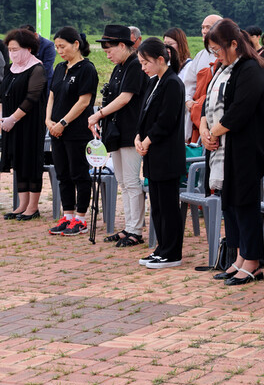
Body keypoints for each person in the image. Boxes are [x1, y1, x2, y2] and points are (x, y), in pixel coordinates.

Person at [200, 19, 264, 286]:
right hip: (223, 147)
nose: (216, 56)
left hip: (244, 148)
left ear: (234, 44)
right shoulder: (223, 69)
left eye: (218, 50)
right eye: (213, 51)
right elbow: (207, 104)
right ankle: (239, 257)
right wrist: (206, 130)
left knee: (245, 204)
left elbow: (240, 110)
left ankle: (252, 260)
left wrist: (215, 132)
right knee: (229, 203)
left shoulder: (250, 69)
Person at [89, 25, 149, 245]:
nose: (108, 54)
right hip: (115, 131)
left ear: (123, 45)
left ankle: (136, 230)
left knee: (132, 181)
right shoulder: (119, 67)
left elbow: (125, 98)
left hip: (131, 132)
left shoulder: (134, 65)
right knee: (123, 181)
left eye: (110, 49)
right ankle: (129, 227)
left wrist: (98, 115)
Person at [135, 39, 186, 268]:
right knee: (156, 204)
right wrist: (138, 136)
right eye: (141, 63)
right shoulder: (153, 82)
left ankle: (172, 251)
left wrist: (147, 139)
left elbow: (167, 119)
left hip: (166, 153)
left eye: (146, 63)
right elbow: (144, 114)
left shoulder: (173, 83)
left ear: (160, 59)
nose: (143, 68)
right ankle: (161, 247)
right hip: (152, 152)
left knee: (168, 205)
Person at [45, 27, 98, 236]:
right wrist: (48, 120)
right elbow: (52, 95)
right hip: (56, 131)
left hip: (75, 131)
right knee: (63, 174)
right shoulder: (59, 68)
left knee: (79, 174)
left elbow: (84, 101)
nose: (60, 51)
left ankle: (81, 218)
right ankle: (67, 215)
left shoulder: (87, 69)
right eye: (57, 47)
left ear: (76, 44)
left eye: (63, 46)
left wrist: (63, 123)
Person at [1, 29, 47, 220]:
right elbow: (2, 94)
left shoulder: (37, 68)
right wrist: (4, 118)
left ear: (28, 49)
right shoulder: (10, 69)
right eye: (9, 50)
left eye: (15, 49)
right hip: (11, 124)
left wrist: (13, 118)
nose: (12, 53)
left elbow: (32, 98)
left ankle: (33, 207)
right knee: (19, 161)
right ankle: (22, 204)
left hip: (29, 123)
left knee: (30, 161)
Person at [182, 14, 222, 137]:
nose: (204, 31)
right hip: (196, 111)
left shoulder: (226, 54)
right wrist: (188, 101)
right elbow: (189, 83)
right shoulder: (201, 55)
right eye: (202, 27)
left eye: (208, 27)